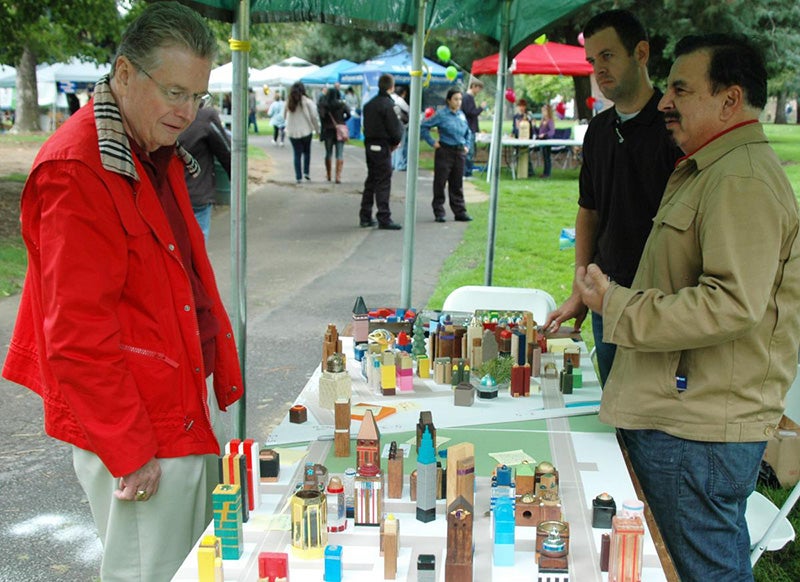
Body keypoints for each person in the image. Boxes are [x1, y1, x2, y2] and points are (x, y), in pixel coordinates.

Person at [0, 3, 244, 581]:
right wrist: (128, 449)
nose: (187, 113)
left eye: (198, 97)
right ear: (126, 73)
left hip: (173, 408)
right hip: (138, 426)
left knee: (193, 567)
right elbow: (76, 334)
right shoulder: (78, 169)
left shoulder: (148, 149)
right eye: (175, 92)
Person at [576, 33, 800, 582]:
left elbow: (732, 303)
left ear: (730, 99)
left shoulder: (739, 179)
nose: (666, 102)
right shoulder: (714, 169)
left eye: (681, 89)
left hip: (696, 427)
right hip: (690, 416)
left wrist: (619, 306)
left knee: (704, 569)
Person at [544, 9, 682, 385]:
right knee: (612, 415)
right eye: (592, 60)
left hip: (659, 303)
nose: (598, 69)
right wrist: (580, 288)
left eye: (607, 56)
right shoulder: (598, 131)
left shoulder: (674, 128)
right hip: (605, 296)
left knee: (651, 420)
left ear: (640, 53)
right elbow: (588, 212)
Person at [420, 86, 473, 223]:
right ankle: (439, 211)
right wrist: (432, 142)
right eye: (455, 99)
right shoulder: (441, 114)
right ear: (449, 100)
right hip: (445, 150)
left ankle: (459, 211)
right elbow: (424, 126)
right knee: (440, 182)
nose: (458, 102)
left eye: (460, 99)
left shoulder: (461, 115)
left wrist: (467, 145)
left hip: (459, 151)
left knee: (457, 183)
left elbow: (468, 132)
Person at [179, 105, 231, 240]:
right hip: (196, 193)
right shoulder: (204, 116)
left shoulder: (162, 111)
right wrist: (236, 179)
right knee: (198, 247)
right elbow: (226, 152)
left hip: (168, 194)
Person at [359, 73, 404, 230]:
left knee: (371, 179)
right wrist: (395, 143)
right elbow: (396, 129)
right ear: (392, 87)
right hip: (383, 146)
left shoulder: (369, 105)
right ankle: (384, 216)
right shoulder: (390, 105)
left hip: (370, 144)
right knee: (383, 181)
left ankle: (365, 215)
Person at [284, 81, 319, 184]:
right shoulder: (307, 101)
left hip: (292, 132)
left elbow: (284, 115)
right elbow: (314, 116)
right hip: (306, 131)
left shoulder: (289, 102)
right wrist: (317, 129)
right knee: (307, 152)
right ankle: (306, 173)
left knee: (297, 154)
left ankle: (298, 176)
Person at [317, 87, 350, 183]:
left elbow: (322, 117)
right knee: (339, 153)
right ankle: (338, 176)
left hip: (328, 131)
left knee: (328, 153)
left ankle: (328, 174)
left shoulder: (324, 105)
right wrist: (342, 121)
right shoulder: (342, 105)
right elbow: (348, 114)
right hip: (340, 130)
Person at [461, 79, 486, 178]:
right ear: (474, 86)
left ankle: (468, 171)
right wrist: (481, 108)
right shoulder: (468, 98)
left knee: (470, 150)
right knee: (469, 151)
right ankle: (466, 172)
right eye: (479, 89)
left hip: (470, 127)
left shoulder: (468, 98)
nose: (479, 91)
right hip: (469, 127)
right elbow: (471, 112)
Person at [391, 85, 410, 171]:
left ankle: (392, 164)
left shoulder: (390, 98)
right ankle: (399, 164)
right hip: (401, 124)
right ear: (403, 93)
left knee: (393, 145)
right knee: (400, 145)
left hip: (391, 124)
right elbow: (408, 109)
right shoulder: (399, 100)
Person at [535, 103, 556, 178]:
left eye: (544, 111)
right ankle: (545, 172)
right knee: (544, 156)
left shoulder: (550, 121)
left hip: (547, 140)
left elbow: (552, 132)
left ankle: (547, 173)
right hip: (542, 141)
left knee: (547, 157)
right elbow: (539, 131)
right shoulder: (542, 121)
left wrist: (545, 135)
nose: (543, 113)